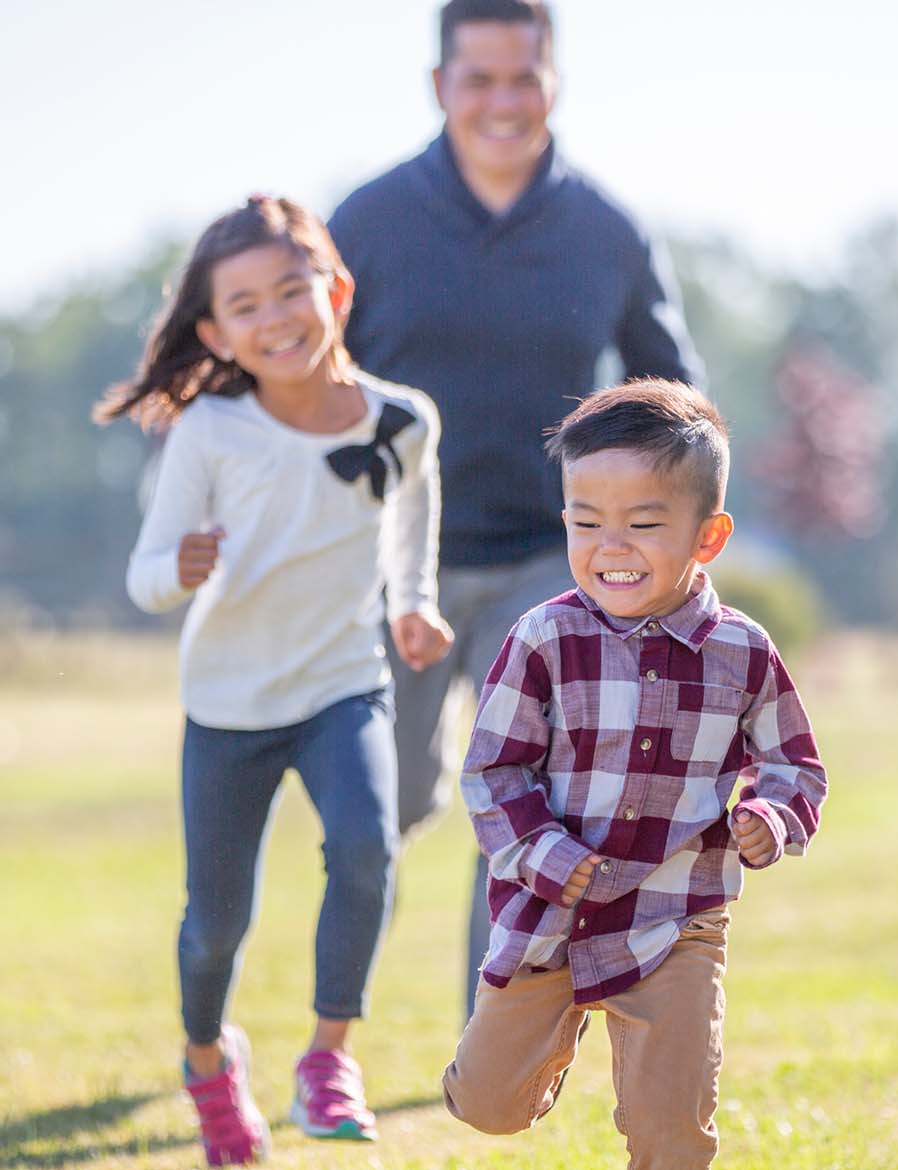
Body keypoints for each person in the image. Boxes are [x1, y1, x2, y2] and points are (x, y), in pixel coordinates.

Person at [327, 0, 705, 1020]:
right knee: (383, 809)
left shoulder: (606, 230)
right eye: (479, 78)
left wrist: (670, 537)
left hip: (553, 557)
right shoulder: (364, 223)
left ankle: (488, 1039)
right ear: (440, 86)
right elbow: (304, 383)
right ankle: (336, 1037)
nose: (503, 100)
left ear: (554, 82)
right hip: (396, 560)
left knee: (526, 800)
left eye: (523, 77)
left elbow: (674, 396)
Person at [97, 196, 453, 1165]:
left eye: (291, 290)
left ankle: (328, 1058)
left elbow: (412, 516)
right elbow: (144, 577)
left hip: (344, 682)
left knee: (367, 848)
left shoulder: (403, 419)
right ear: (215, 333)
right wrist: (182, 568)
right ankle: (209, 1062)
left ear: (334, 291)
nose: (275, 317)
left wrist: (412, 603)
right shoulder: (210, 431)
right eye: (245, 306)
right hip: (227, 706)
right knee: (216, 925)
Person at [441, 379, 827, 1168]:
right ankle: (537, 1046)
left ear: (707, 537)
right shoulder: (544, 638)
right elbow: (492, 770)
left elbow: (795, 765)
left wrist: (773, 817)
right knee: (488, 1104)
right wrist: (546, 854)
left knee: (673, 1131)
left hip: (677, 915)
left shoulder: (744, 651)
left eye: (644, 524)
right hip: (554, 912)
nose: (611, 547)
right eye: (587, 523)